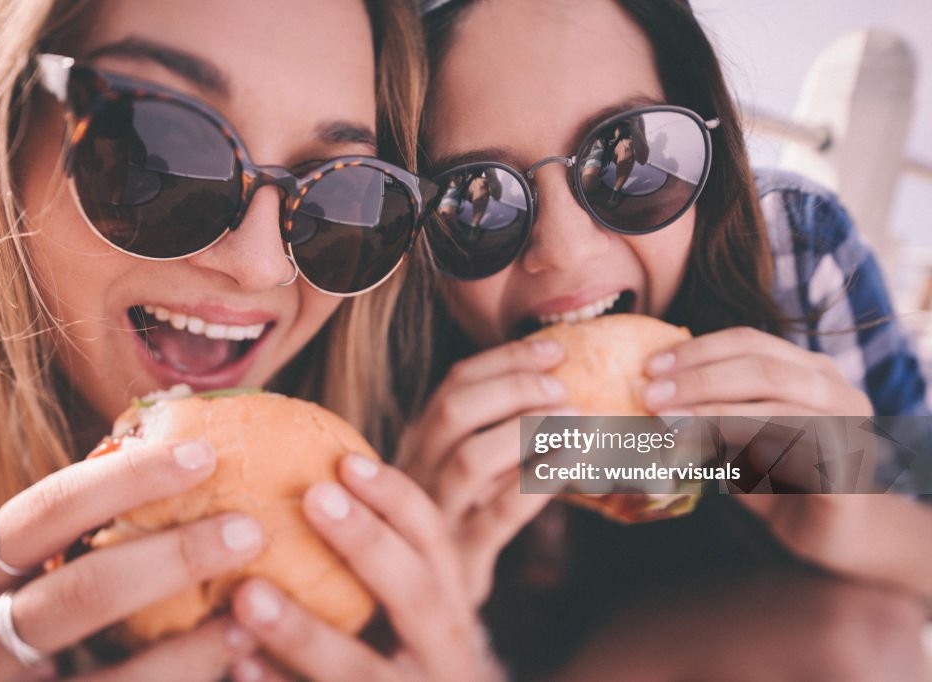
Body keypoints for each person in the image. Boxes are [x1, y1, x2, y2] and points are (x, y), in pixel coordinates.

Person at [0, 2, 495, 680]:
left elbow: (645, 478)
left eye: (346, 194)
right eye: (164, 151)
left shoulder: (460, 482)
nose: (261, 265)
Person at [385, 0, 932, 678]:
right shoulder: (376, 352)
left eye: (630, 158)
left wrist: (852, 520)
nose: (563, 251)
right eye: (474, 197)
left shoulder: (792, 255)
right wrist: (429, 607)